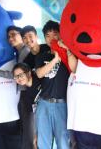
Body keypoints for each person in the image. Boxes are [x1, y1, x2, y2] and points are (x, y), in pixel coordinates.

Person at [35, 20, 73, 149]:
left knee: (63, 141)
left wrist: (65, 51)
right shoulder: (42, 56)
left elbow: (74, 69)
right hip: (43, 104)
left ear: (61, 35)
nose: (52, 38)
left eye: (55, 34)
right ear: (44, 38)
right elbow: (39, 74)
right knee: (43, 142)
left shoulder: (68, 55)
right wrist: (55, 60)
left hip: (62, 105)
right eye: (48, 35)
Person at [12, 62, 41, 149]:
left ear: (28, 73)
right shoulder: (25, 95)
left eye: (21, 75)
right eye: (16, 77)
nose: (19, 78)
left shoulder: (41, 81)